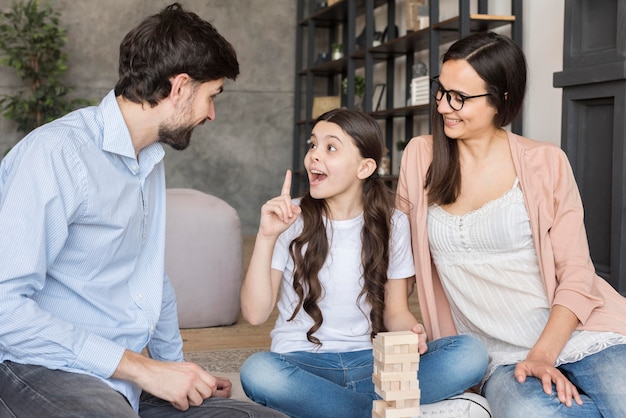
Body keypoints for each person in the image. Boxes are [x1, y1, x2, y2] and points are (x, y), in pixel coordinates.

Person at [0, 3, 287, 417]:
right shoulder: (55, 154)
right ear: (181, 87)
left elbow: (149, 277)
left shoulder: (149, 160)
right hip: (44, 366)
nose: (211, 113)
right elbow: (6, 310)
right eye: (211, 96)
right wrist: (146, 370)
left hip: (130, 379)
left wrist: (177, 371)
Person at [396, 31, 626, 418]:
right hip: (497, 355)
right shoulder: (421, 157)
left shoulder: (546, 161)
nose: (445, 106)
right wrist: (397, 311)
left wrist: (544, 354)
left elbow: (576, 273)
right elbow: (398, 256)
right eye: (442, 91)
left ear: (502, 99)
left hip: (584, 333)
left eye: (461, 98)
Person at [239, 108, 488, 418]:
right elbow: (254, 313)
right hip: (303, 364)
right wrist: (266, 236)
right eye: (312, 145)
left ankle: (336, 408)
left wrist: (410, 330)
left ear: (365, 167)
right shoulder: (288, 217)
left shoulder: (393, 223)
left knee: (470, 353)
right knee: (258, 371)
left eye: (330, 147)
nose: (314, 155)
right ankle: (386, 410)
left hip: (371, 364)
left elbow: (395, 311)